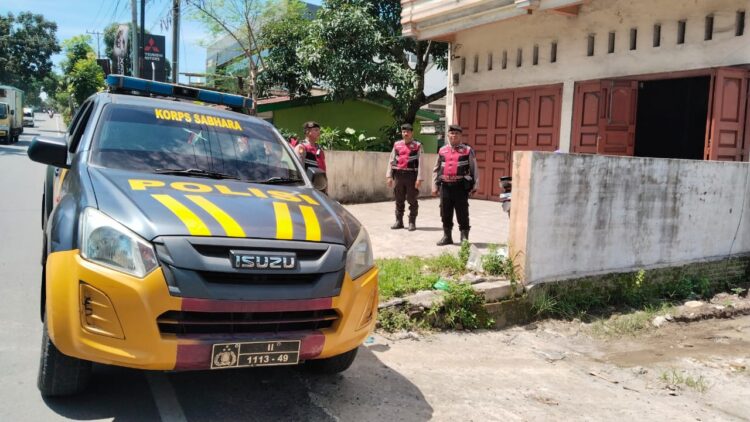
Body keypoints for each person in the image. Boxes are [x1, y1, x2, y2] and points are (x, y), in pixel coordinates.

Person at [432, 124, 479, 246]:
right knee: (445, 212)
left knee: (462, 212)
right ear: (448, 135)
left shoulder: (468, 150)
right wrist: (434, 185)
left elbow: (474, 169)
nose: (454, 136)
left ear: (461, 135)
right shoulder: (442, 150)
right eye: (452, 133)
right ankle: (447, 237)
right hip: (445, 186)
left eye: (456, 133)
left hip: (460, 187)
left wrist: (475, 186)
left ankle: (464, 238)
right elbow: (436, 169)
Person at [386, 123, 424, 231]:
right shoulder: (397, 145)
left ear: (412, 133)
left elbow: (421, 162)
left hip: (411, 176)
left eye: (408, 132)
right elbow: (391, 160)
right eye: (403, 132)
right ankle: (399, 221)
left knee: (412, 199)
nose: (405, 133)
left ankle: (412, 222)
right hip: (398, 175)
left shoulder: (417, 145)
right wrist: (389, 176)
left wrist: (419, 178)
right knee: (399, 199)